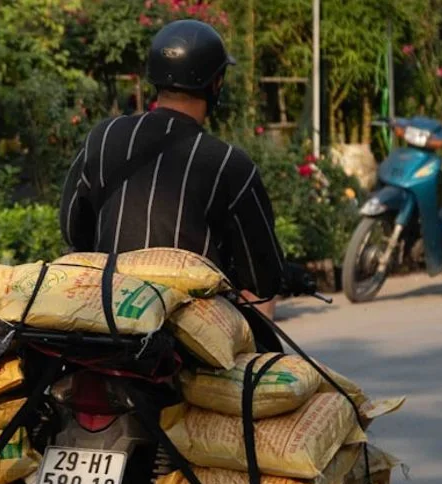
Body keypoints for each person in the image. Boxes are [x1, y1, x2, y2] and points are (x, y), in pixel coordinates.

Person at [59, 19, 287, 318]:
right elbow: (262, 278)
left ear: (155, 77)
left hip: (103, 317)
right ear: (216, 83)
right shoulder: (229, 164)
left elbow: (72, 229)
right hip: (185, 331)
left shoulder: (102, 137)